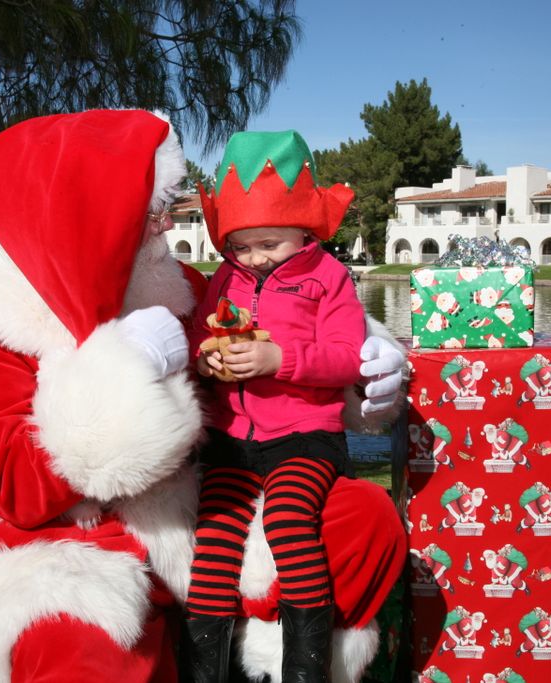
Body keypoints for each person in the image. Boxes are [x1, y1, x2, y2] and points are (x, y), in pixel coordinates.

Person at [0, 111, 406, 683]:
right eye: (149, 212)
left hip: (206, 508)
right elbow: (15, 489)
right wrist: (124, 378)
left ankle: (278, 664)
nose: (164, 227)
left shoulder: (176, 286)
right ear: (86, 213)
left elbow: (278, 341)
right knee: (72, 645)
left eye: (161, 210)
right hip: (73, 538)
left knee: (360, 516)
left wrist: (362, 373)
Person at [183, 130, 367, 683]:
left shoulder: (327, 278)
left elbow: (348, 359)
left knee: (288, 519)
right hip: (233, 441)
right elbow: (198, 337)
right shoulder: (223, 280)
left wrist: (278, 360)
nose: (254, 258)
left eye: (269, 243)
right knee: (212, 541)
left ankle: (306, 671)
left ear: (303, 232)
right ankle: (203, 673)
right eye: (240, 246)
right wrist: (206, 363)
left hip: (306, 437)